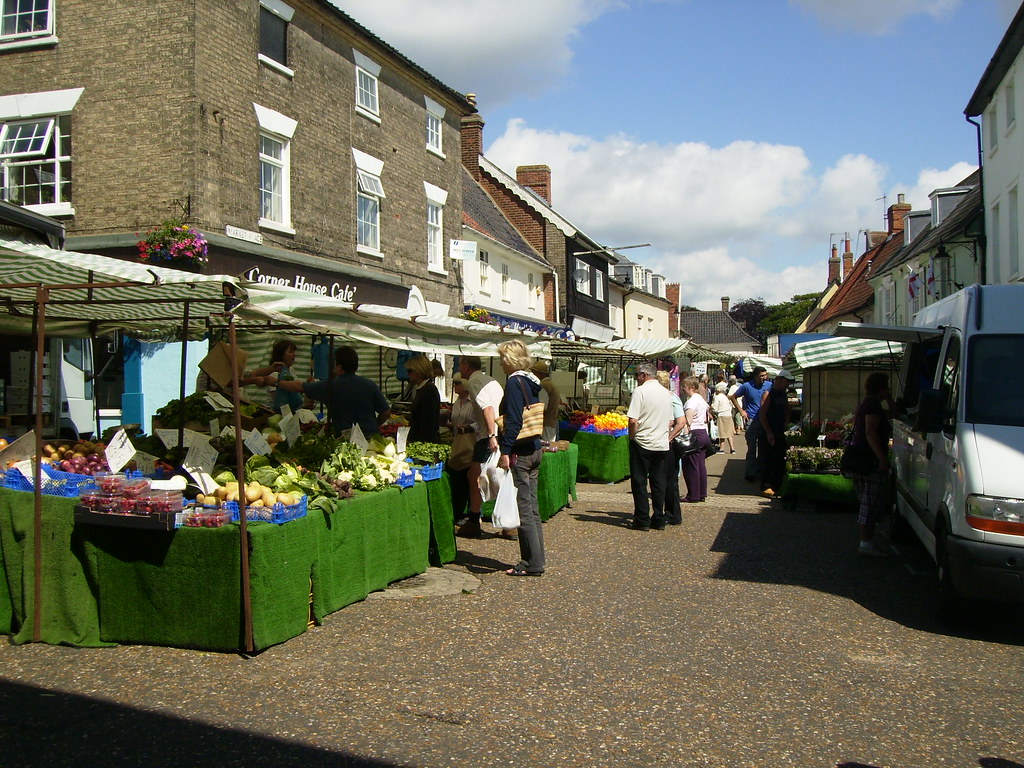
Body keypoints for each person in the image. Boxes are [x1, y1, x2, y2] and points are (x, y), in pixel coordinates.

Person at [496, 340, 546, 576]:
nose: (500, 363)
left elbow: (514, 419)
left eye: (502, 359)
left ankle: (530, 563)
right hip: (535, 447)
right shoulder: (531, 381)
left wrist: (505, 451)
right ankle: (537, 558)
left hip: (522, 450)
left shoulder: (515, 383)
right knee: (532, 508)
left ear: (509, 360)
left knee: (524, 508)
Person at [275, 345, 390, 437]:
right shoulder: (370, 384)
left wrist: (275, 382)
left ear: (339, 367)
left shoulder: (331, 385)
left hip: (345, 441)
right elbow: (385, 412)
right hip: (371, 439)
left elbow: (300, 386)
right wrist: (374, 424)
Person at [456, 355, 504, 539]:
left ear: (466, 365)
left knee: (475, 477)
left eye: (460, 364)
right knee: (492, 477)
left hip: (488, 435)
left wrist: (491, 435)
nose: (459, 368)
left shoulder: (475, 382)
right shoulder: (491, 380)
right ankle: (507, 521)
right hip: (496, 431)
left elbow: (488, 409)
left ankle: (475, 520)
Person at [849, 372, 894, 557]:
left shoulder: (866, 403)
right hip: (869, 460)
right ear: (881, 388)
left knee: (867, 501)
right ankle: (866, 543)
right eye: (887, 387)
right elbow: (870, 433)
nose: (889, 390)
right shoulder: (873, 405)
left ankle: (867, 542)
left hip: (860, 458)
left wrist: (890, 399)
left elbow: (896, 415)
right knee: (870, 502)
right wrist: (882, 459)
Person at [626, 362, 673, 530]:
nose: (636, 378)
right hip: (661, 443)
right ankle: (659, 517)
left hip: (642, 442)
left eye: (637, 375)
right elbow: (670, 420)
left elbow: (633, 419)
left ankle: (642, 518)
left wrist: (632, 436)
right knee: (658, 482)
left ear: (644, 375)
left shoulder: (640, 391)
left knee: (639, 482)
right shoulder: (666, 393)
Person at [446, 373, 476, 529]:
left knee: (468, 479)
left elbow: (482, 422)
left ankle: (471, 514)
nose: (455, 386)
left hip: (470, 444)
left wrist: (470, 427)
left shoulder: (474, 402)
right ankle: (458, 512)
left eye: (458, 383)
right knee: (457, 479)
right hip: (458, 444)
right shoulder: (457, 402)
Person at [656, 370, 687, 525]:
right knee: (663, 479)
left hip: (669, 444)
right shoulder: (664, 397)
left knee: (669, 480)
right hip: (662, 442)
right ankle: (666, 512)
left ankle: (673, 514)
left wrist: (669, 436)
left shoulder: (671, 398)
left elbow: (681, 421)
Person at [730, 366, 770, 483]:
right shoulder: (747, 386)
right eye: (761, 376)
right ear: (755, 376)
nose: (764, 378)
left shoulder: (768, 386)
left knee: (763, 447)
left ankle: (761, 472)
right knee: (752, 448)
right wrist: (742, 411)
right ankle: (750, 473)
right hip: (752, 419)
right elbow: (733, 397)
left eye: (765, 375)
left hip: (765, 420)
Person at [757, 369, 793, 498]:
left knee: (779, 459)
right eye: (786, 381)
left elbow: (787, 409)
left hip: (779, 431)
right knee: (768, 459)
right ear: (780, 380)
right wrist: (768, 432)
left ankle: (777, 486)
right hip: (769, 431)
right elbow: (762, 414)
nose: (788, 384)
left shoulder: (783, 394)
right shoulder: (768, 394)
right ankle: (766, 486)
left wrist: (786, 422)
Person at [680, 375, 712, 503]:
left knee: (691, 465)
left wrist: (684, 436)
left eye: (684, 387)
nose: (683, 389)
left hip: (694, 433)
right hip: (703, 432)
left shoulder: (691, 401)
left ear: (692, 387)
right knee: (700, 465)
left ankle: (693, 495)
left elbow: (688, 421)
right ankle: (701, 493)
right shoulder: (701, 399)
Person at [405, 354, 440, 443]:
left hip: (423, 444)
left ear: (418, 371)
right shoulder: (420, 389)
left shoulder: (429, 390)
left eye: (409, 371)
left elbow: (428, 423)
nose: (408, 375)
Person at [266, 339, 306, 414]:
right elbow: (278, 399)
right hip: (277, 413)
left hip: (291, 412)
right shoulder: (274, 373)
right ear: (281, 355)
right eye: (291, 352)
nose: (294, 354)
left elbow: (295, 392)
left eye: (294, 351)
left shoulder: (291, 370)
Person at [531, 360, 561, 443]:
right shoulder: (551, 384)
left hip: (546, 423)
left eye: (534, 372)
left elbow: (543, 407)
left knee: (546, 448)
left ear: (540, 373)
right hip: (552, 422)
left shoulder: (544, 386)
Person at [711, 381, 737, 454]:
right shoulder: (726, 397)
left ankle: (722, 449)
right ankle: (732, 449)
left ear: (718, 390)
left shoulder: (717, 397)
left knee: (722, 433)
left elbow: (715, 408)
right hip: (728, 415)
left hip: (721, 415)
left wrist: (711, 408)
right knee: (729, 433)